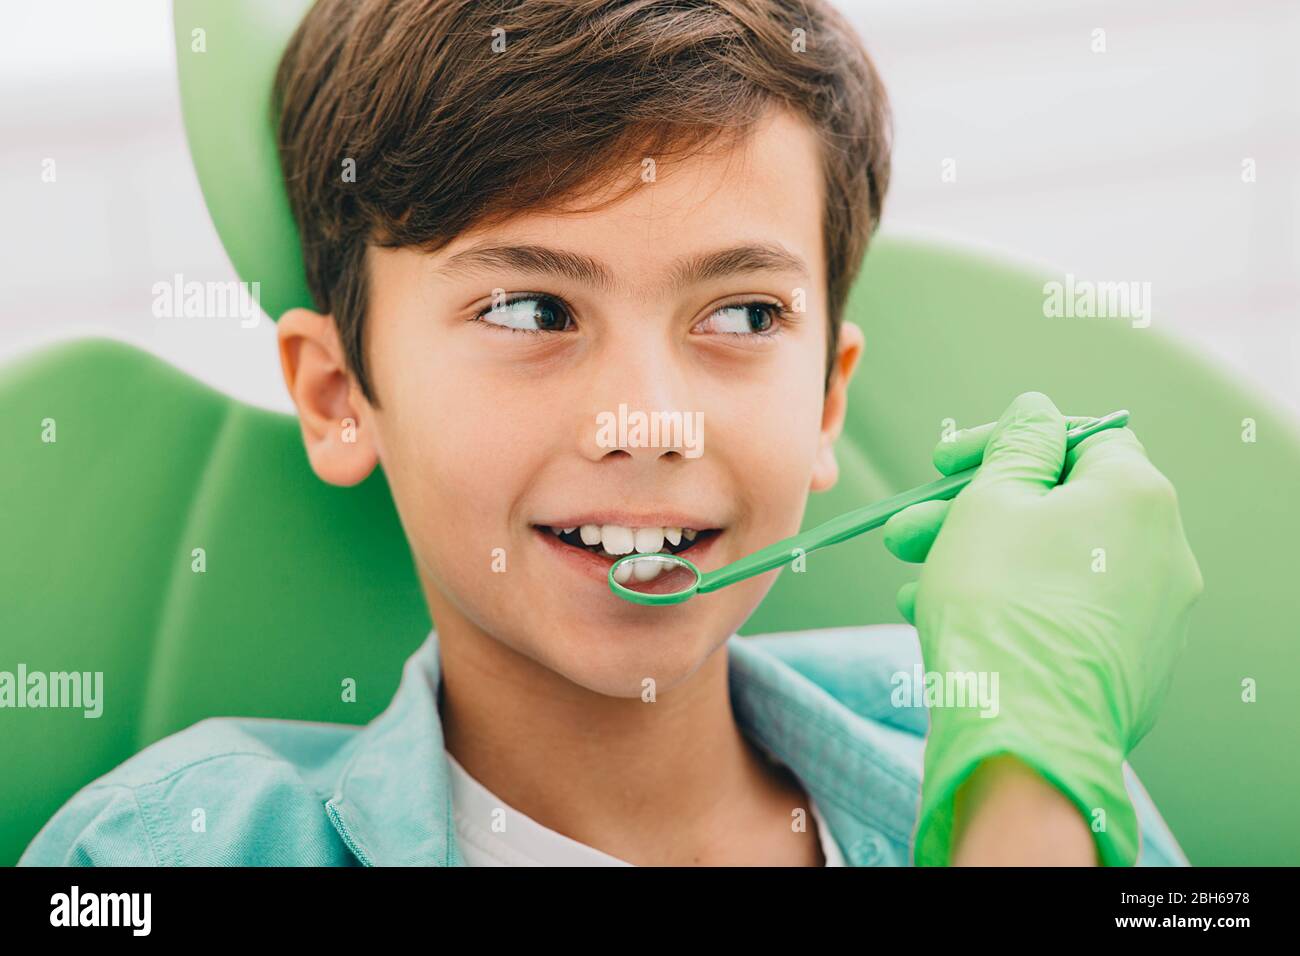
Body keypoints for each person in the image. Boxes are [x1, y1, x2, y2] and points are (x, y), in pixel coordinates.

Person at [20, 0, 1199, 867]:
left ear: (826, 397)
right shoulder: (162, 853)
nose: (651, 421)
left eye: (742, 314)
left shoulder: (1019, 745)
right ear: (338, 394)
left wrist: (1027, 758)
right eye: (531, 310)